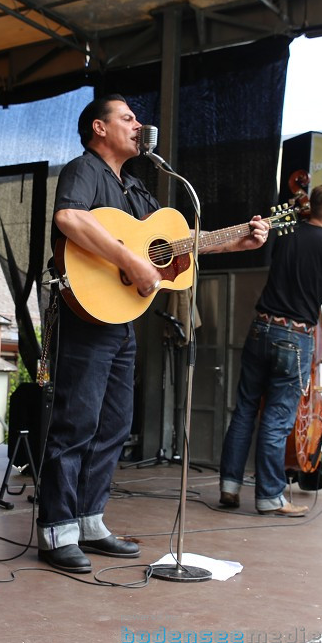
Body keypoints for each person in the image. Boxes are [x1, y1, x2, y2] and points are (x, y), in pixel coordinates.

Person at [38, 94, 270, 573]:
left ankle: (89, 519)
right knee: (76, 420)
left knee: (116, 424)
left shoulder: (138, 189)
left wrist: (232, 243)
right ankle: (56, 531)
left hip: (121, 320)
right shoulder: (83, 170)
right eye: (127, 118)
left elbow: (171, 251)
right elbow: (69, 219)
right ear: (99, 128)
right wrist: (128, 261)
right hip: (83, 316)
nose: (138, 125)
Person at [219, 181, 322, 517]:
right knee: (277, 418)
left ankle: (229, 485)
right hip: (294, 337)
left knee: (244, 410)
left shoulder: (287, 235)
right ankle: (269, 496)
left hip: (260, 327)